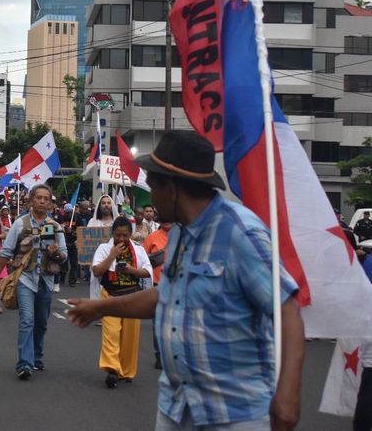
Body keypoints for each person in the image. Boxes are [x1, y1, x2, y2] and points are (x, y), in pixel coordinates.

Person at [66, 131, 304, 431]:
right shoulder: (179, 233)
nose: (151, 198)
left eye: (154, 187)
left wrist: (288, 393)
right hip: (177, 407)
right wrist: (100, 308)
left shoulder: (241, 233)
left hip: (234, 412)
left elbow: (287, 310)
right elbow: (165, 295)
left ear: (173, 188)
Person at [0, 184, 67, 380]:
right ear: (32, 200)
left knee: (41, 322)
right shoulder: (20, 223)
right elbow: (6, 251)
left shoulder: (55, 226)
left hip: (46, 279)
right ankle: (24, 363)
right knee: (27, 320)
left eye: (46, 198)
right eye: (38, 197)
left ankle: (36, 356)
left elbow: (64, 255)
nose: (42, 201)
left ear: (50, 203)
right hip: (25, 277)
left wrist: (56, 253)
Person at [91, 216, 152, 388]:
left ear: (130, 235)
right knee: (111, 334)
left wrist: (131, 270)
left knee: (130, 337)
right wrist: (112, 256)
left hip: (133, 298)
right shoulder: (104, 248)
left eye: (125, 235)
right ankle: (112, 369)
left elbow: (147, 272)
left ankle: (125, 371)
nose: (121, 239)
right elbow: (96, 271)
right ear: (113, 234)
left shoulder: (138, 250)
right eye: (118, 235)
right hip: (111, 296)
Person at [143, 220, 173, 369]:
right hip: (158, 286)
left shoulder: (183, 236)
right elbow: (143, 258)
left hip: (178, 286)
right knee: (158, 323)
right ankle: (160, 356)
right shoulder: (152, 237)